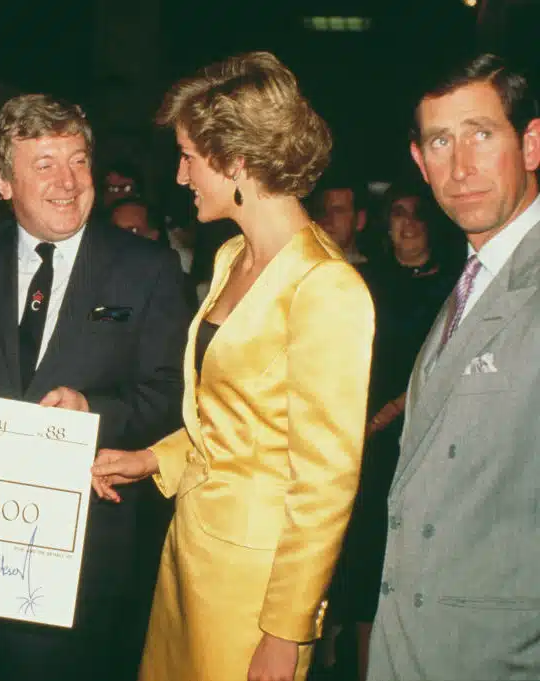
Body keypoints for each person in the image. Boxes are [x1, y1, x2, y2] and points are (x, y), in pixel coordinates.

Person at [91, 51, 375, 681]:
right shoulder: (230, 259)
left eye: (189, 156)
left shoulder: (326, 287)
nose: (181, 174)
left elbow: (326, 482)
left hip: (255, 585)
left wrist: (285, 631)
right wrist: (151, 459)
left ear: (236, 160)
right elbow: (230, 419)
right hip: (189, 553)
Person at [0, 93, 190, 681]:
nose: (68, 182)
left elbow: (171, 395)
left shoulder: (148, 268)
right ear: (3, 181)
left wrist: (92, 410)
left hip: (77, 557)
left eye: (78, 161)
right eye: (45, 165)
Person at [367, 52, 540, 681]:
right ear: (420, 161)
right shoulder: (470, 283)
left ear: (531, 143)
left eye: (481, 134)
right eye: (441, 142)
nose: (460, 167)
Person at [329, 182, 458, 680]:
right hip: (366, 443)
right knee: (366, 569)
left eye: (417, 214)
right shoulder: (364, 281)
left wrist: (396, 409)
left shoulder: (455, 284)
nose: (407, 223)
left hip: (427, 438)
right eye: (398, 213)